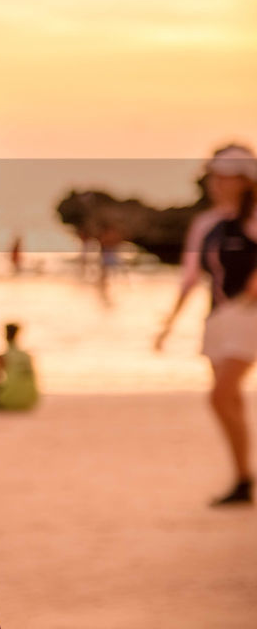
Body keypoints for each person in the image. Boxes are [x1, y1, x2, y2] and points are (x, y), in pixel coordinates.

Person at [155, 144, 257, 506]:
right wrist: (169, 323)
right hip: (218, 320)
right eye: (213, 176)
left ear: (244, 181)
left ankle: (245, 477)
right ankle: (243, 477)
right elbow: (190, 277)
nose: (215, 183)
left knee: (220, 394)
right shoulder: (206, 224)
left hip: (249, 318)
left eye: (223, 177)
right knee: (229, 400)